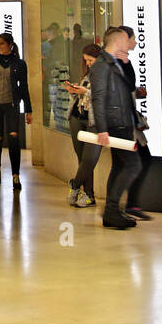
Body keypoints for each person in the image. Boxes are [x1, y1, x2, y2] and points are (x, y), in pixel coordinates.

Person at [88, 27, 143, 229]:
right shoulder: (101, 65)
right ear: (118, 41)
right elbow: (98, 97)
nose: (129, 45)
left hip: (123, 121)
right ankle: (111, 210)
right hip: (115, 123)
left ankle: (113, 211)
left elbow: (128, 88)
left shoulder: (114, 63)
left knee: (121, 166)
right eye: (126, 41)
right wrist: (102, 128)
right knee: (132, 165)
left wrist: (126, 64)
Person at [0, 32, 33, 191]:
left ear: (10, 44)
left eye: (2, 44)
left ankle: (15, 175)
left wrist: (28, 110)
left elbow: (24, 87)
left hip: (12, 105)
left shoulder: (19, 63)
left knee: (13, 138)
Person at [117, 25, 155, 220]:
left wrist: (136, 92)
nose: (135, 42)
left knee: (138, 161)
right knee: (130, 163)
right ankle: (120, 206)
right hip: (122, 123)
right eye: (132, 39)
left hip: (130, 121)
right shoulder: (115, 64)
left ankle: (128, 204)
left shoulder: (126, 62)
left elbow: (125, 90)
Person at [66, 43, 102, 208]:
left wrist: (85, 92)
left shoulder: (105, 75)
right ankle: (89, 194)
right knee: (82, 159)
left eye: (90, 60)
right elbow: (83, 97)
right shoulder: (87, 75)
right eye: (86, 60)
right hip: (77, 117)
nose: (88, 63)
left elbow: (103, 96)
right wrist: (74, 91)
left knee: (89, 159)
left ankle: (75, 184)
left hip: (94, 122)